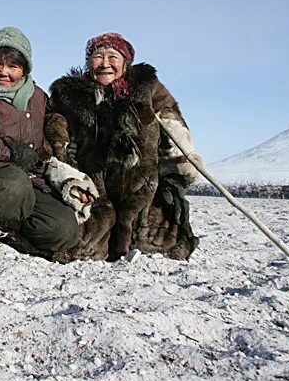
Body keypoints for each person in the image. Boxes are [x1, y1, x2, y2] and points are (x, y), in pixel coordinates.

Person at [0, 27, 100, 261]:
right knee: (14, 185)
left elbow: (45, 149)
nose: (4, 72)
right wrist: (8, 150)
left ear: (24, 69)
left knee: (63, 229)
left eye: (13, 66)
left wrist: (64, 177)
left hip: (26, 180)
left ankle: (4, 231)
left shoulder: (38, 97)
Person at [46, 32, 200, 261]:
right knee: (82, 247)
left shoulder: (147, 89)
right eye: (98, 56)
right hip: (93, 189)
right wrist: (66, 156)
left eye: (113, 56)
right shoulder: (68, 96)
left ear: (125, 62)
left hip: (141, 189)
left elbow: (174, 132)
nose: (105, 63)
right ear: (88, 62)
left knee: (161, 244)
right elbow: (52, 130)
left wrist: (175, 179)